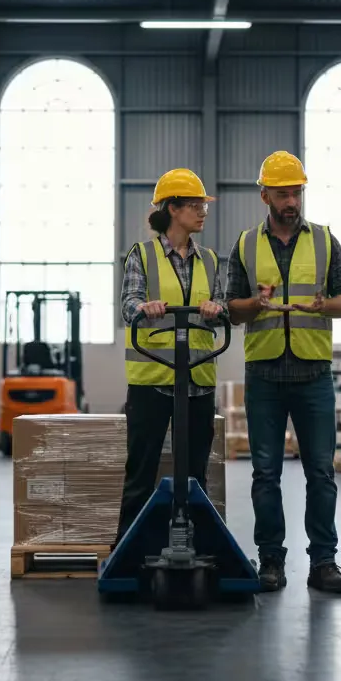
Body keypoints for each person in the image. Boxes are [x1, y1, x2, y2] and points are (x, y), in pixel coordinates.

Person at [225, 150, 341, 595]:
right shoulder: (245, 244)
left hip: (313, 373)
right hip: (264, 374)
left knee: (321, 472)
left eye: (297, 192)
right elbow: (231, 309)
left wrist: (324, 305)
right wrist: (255, 303)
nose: (292, 202)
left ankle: (324, 562)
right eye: (283, 194)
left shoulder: (325, 241)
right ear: (265, 195)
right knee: (266, 474)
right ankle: (271, 561)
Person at [113, 168, 228, 549]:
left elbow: (223, 307)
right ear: (173, 209)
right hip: (152, 380)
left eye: (203, 205)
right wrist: (144, 307)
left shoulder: (209, 260)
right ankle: (129, 551)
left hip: (197, 379)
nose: (203, 212)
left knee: (196, 474)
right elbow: (128, 305)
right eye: (195, 205)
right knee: (141, 472)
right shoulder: (142, 255)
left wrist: (216, 309)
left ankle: (197, 547)